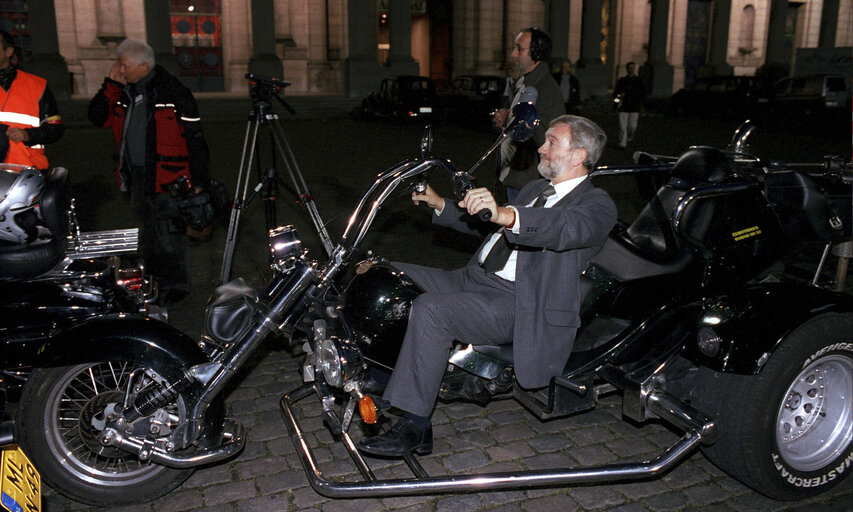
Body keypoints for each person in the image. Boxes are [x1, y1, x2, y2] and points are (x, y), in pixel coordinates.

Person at [357, 115, 617, 458]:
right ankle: (382, 376)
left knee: (432, 310)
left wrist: (507, 214)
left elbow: (562, 228)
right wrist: (440, 206)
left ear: (579, 155)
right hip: (472, 278)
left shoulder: (596, 205)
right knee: (386, 275)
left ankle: (415, 428)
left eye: (552, 142)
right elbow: (489, 227)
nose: (541, 147)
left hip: (520, 302)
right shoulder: (536, 189)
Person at [88, 38, 210, 306]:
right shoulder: (124, 92)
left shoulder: (173, 92)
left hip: (168, 177)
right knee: (145, 235)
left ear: (143, 66)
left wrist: (199, 181)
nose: (120, 70)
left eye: (124, 66)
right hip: (137, 177)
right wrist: (110, 86)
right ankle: (153, 282)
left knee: (169, 236)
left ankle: (175, 287)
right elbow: (97, 117)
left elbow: (195, 139)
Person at [492, 27, 564, 203]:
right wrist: (506, 117)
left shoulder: (547, 89)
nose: (513, 55)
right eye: (514, 48)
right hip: (509, 176)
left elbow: (550, 139)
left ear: (536, 53)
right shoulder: (523, 82)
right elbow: (514, 122)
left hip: (526, 183)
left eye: (519, 49)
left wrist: (527, 121)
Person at [0, 30, 64, 170]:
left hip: (28, 172)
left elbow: (55, 129)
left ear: (9, 51)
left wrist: (27, 135)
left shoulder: (37, 86)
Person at [611, 62, 645, 149]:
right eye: (630, 67)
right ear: (627, 69)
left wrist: (642, 105)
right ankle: (623, 143)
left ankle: (629, 137)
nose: (631, 69)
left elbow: (642, 94)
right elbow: (616, 94)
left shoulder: (639, 81)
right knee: (623, 127)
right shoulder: (622, 81)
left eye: (633, 67)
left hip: (634, 106)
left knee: (633, 126)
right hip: (624, 106)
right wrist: (616, 103)